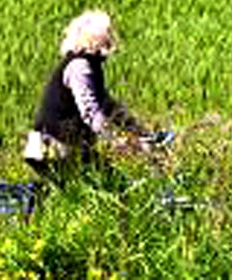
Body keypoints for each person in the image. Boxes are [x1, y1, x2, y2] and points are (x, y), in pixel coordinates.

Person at [23, 9, 147, 183]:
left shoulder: (88, 64)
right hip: (54, 147)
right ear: (96, 38)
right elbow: (91, 111)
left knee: (108, 184)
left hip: (61, 146)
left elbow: (108, 105)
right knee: (114, 186)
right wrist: (115, 140)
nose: (112, 38)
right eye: (108, 34)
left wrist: (139, 131)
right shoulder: (80, 66)